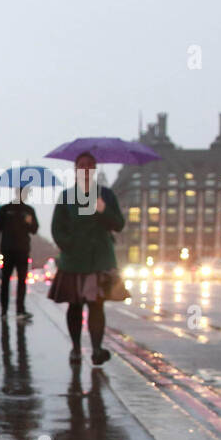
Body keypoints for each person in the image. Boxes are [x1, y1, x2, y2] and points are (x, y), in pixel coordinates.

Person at [48, 152, 125, 365]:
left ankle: (97, 349)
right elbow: (57, 228)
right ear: (75, 170)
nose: (85, 169)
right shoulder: (66, 196)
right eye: (81, 165)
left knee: (96, 306)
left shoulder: (106, 196)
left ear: (94, 170)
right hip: (73, 260)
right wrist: (69, 245)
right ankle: (75, 348)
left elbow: (118, 224)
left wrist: (103, 210)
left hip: (99, 260)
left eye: (90, 166)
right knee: (74, 306)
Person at [0, 185, 40, 318]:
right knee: (5, 281)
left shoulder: (29, 210)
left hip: (23, 250)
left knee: (22, 281)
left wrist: (30, 222)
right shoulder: (5, 209)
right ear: (16, 193)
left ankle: (20, 310)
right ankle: (4, 309)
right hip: (7, 249)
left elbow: (35, 230)